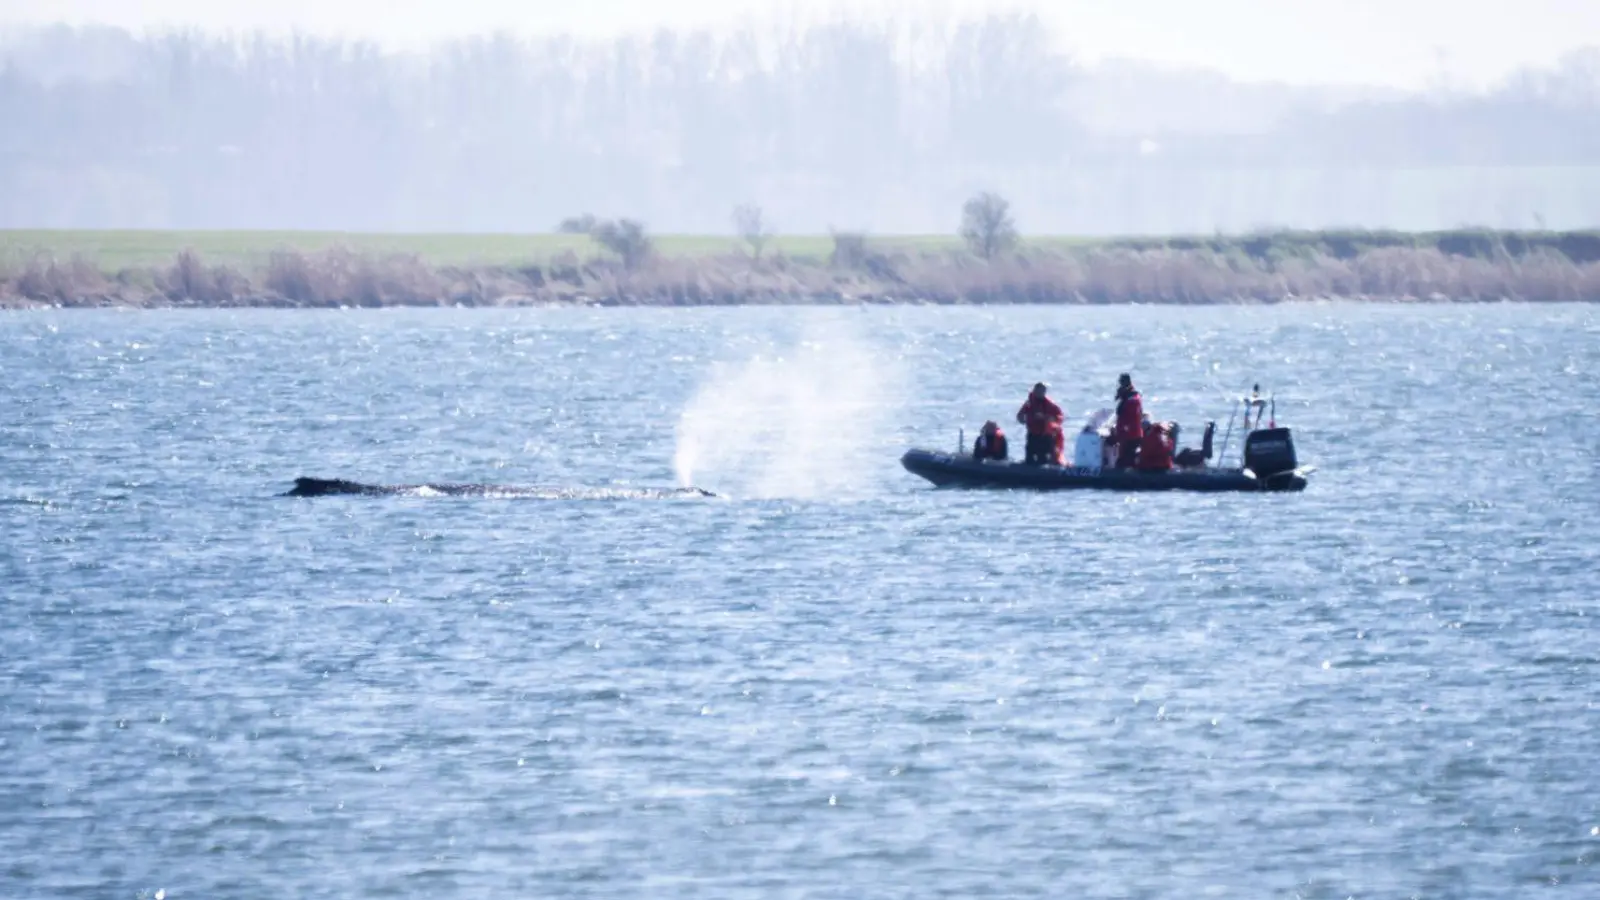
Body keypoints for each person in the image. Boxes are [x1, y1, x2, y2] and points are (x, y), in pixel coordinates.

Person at [1015, 382, 1064, 465]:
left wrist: (1045, 417)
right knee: (1029, 459)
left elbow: (1059, 417)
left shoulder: (1049, 404)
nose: (1039, 393)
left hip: (1045, 436)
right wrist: (1022, 419)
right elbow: (1020, 414)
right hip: (1032, 435)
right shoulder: (1029, 402)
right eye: (1037, 391)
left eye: (1041, 391)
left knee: (1043, 459)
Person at [1113, 373, 1144, 469]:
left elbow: (1130, 419)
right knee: (1123, 459)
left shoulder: (1132, 399)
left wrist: (1122, 432)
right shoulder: (1129, 397)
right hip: (1127, 435)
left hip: (1131, 436)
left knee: (1124, 462)